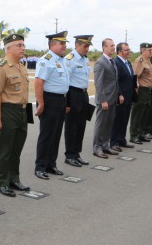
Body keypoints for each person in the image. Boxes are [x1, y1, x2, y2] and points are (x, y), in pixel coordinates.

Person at [0, 33, 31, 197]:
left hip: (23, 110)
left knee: (16, 149)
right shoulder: (1, 67)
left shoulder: (22, 66)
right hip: (8, 111)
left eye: (23, 45)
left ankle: (14, 179)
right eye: (19, 45)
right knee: (4, 149)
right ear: (9, 48)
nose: (23, 48)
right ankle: (1, 183)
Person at [33, 31, 70, 179]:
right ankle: (40, 167)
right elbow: (38, 83)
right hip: (49, 100)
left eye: (65, 43)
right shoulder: (45, 60)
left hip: (61, 99)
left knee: (56, 134)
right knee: (47, 134)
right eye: (61, 43)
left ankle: (51, 164)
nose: (64, 46)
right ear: (52, 45)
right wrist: (41, 103)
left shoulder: (62, 60)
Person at [64, 35, 93, 168]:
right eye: (84, 46)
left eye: (88, 46)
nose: (87, 49)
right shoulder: (70, 59)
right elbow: (66, 81)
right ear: (77, 45)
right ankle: (69, 155)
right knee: (72, 126)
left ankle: (77, 154)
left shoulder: (84, 58)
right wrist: (68, 103)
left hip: (83, 94)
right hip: (73, 93)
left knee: (81, 125)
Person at [92, 38, 121, 158]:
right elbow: (98, 83)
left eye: (114, 45)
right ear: (104, 47)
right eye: (111, 46)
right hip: (104, 100)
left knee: (109, 124)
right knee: (100, 124)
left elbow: (114, 81)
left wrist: (117, 96)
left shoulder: (112, 61)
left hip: (112, 99)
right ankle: (97, 147)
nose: (113, 48)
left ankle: (105, 145)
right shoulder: (100, 62)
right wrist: (103, 100)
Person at [110, 42, 135, 150]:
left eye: (129, 50)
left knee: (125, 119)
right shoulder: (116, 62)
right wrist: (119, 94)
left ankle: (122, 140)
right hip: (120, 97)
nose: (128, 52)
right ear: (120, 52)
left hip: (129, 96)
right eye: (126, 50)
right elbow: (116, 81)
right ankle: (114, 142)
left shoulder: (128, 63)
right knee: (117, 120)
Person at [129, 43, 152, 145]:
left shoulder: (148, 60)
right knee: (137, 113)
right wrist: (135, 90)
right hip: (141, 90)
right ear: (143, 50)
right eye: (149, 50)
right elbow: (134, 76)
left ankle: (141, 133)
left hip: (147, 90)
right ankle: (134, 135)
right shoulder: (140, 60)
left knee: (144, 113)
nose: (151, 52)